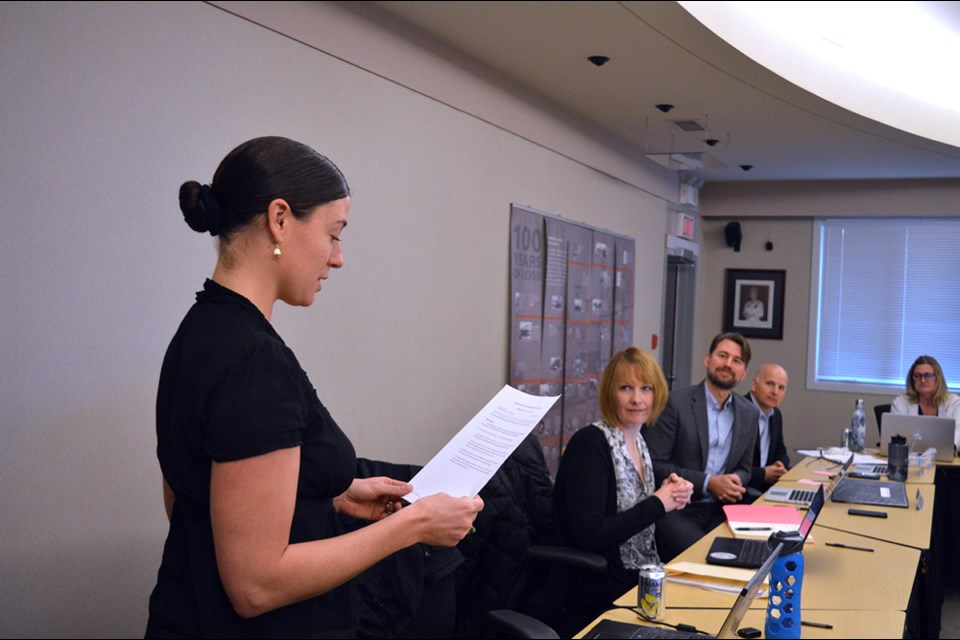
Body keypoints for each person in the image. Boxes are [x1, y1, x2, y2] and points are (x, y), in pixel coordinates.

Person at [145, 136, 484, 638]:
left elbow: (190, 502)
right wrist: (410, 527)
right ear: (279, 219)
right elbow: (256, 586)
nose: (338, 257)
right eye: (334, 234)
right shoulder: (253, 360)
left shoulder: (199, 331)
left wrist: (333, 497)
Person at [553, 347, 693, 625]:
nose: (637, 399)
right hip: (599, 586)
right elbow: (589, 535)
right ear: (610, 394)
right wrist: (657, 503)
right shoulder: (590, 444)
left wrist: (669, 493)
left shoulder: (640, 442)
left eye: (646, 388)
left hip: (640, 574)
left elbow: (634, 508)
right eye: (626, 388)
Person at [644, 333, 759, 562]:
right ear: (707, 360)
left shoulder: (749, 412)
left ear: (744, 372)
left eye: (736, 361)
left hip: (723, 509)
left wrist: (732, 481)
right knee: (706, 557)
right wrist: (709, 483)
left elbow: (746, 469)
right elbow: (654, 465)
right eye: (722, 356)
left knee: (756, 553)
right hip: (678, 508)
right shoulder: (675, 403)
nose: (728, 364)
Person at [891, 355, 960, 451]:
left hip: (945, 459)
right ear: (912, 379)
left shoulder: (954, 402)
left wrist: (948, 448)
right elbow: (895, 435)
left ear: (937, 378)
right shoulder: (900, 402)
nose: (922, 380)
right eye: (917, 376)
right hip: (910, 459)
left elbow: (958, 431)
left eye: (928, 375)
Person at [744, 364, 790, 499]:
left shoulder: (775, 414)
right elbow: (728, 467)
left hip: (766, 489)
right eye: (770, 384)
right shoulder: (739, 411)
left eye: (781, 388)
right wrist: (763, 474)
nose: (775, 392)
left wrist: (780, 466)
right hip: (743, 491)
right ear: (754, 385)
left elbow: (781, 452)